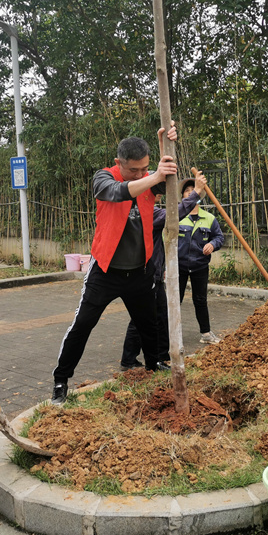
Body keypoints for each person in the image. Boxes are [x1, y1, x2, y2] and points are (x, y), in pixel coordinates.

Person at [51, 127, 178, 404]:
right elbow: (117, 192)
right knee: (83, 324)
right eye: (134, 169)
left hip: (140, 272)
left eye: (145, 168)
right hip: (106, 271)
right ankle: (61, 381)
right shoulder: (104, 177)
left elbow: (170, 184)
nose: (140, 174)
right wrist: (153, 175)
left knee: (149, 324)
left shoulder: (149, 178)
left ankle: (153, 366)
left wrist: (165, 149)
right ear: (119, 162)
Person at [120, 174, 207, 369]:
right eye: (156, 189)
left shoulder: (146, 210)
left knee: (159, 316)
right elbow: (174, 214)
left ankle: (157, 358)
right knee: (142, 318)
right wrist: (197, 193)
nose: (159, 193)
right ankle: (130, 360)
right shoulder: (146, 213)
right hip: (145, 274)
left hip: (153, 273)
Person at [178, 178, 225, 344]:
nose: (190, 192)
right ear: (183, 196)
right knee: (175, 301)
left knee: (200, 300)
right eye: (187, 190)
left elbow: (219, 237)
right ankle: (169, 334)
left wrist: (212, 244)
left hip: (200, 266)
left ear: (199, 196)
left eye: (194, 190)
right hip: (179, 267)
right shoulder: (176, 217)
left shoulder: (209, 218)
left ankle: (206, 334)